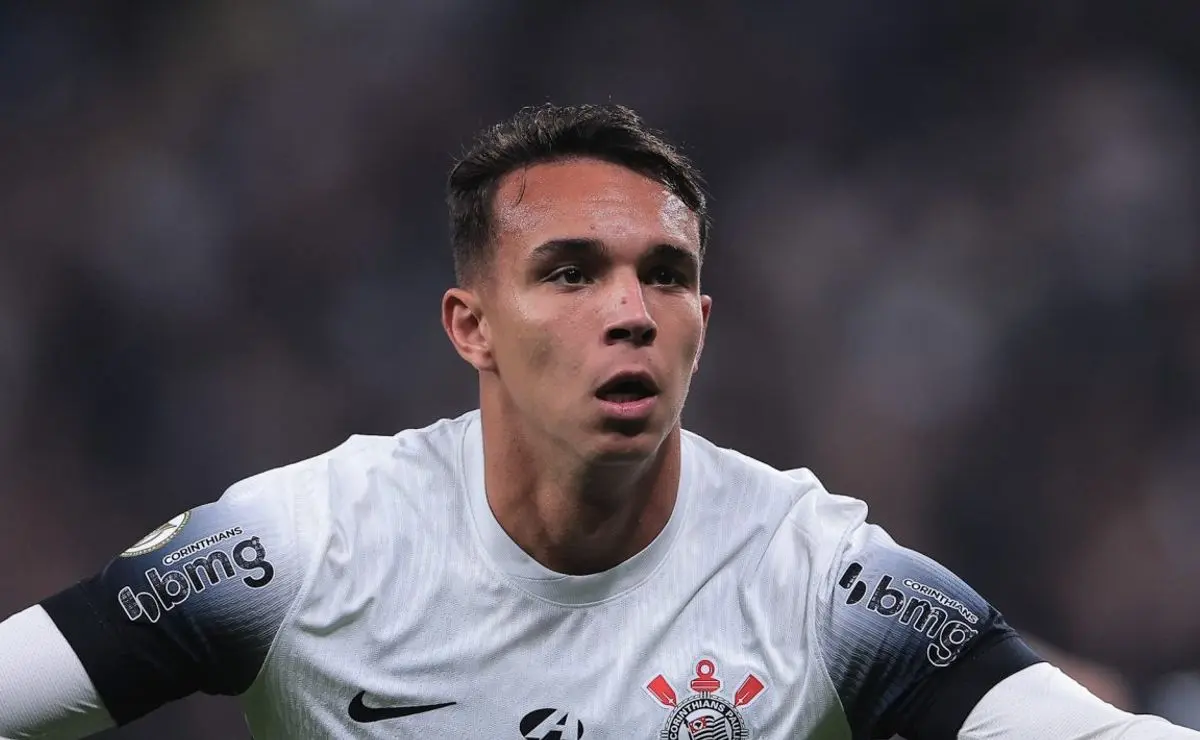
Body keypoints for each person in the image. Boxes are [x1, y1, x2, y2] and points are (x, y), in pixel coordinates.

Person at [0, 103, 1194, 740]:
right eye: (570, 272)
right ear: (470, 326)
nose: (629, 311)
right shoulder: (299, 549)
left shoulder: (820, 579)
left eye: (665, 275)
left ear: (704, 319)